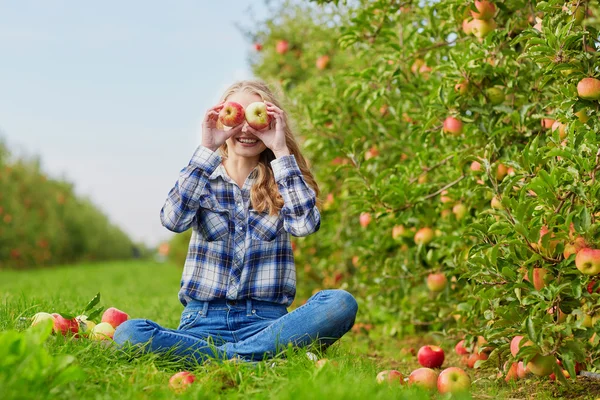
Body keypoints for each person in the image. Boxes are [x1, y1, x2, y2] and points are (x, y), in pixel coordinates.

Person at [114, 80, 358, 363]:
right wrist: (207, 147)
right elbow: (172, 219)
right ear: (221, 120)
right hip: (202, 322)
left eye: (255, 118)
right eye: (236, 117)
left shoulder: (282, 182)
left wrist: (281, 150)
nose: (245, 128)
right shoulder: (202, 178)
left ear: (271, 121)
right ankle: (254, 360)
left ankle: (221, 359)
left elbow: (304, 225)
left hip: (266, 324)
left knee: (341, 303)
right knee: (130, 334)